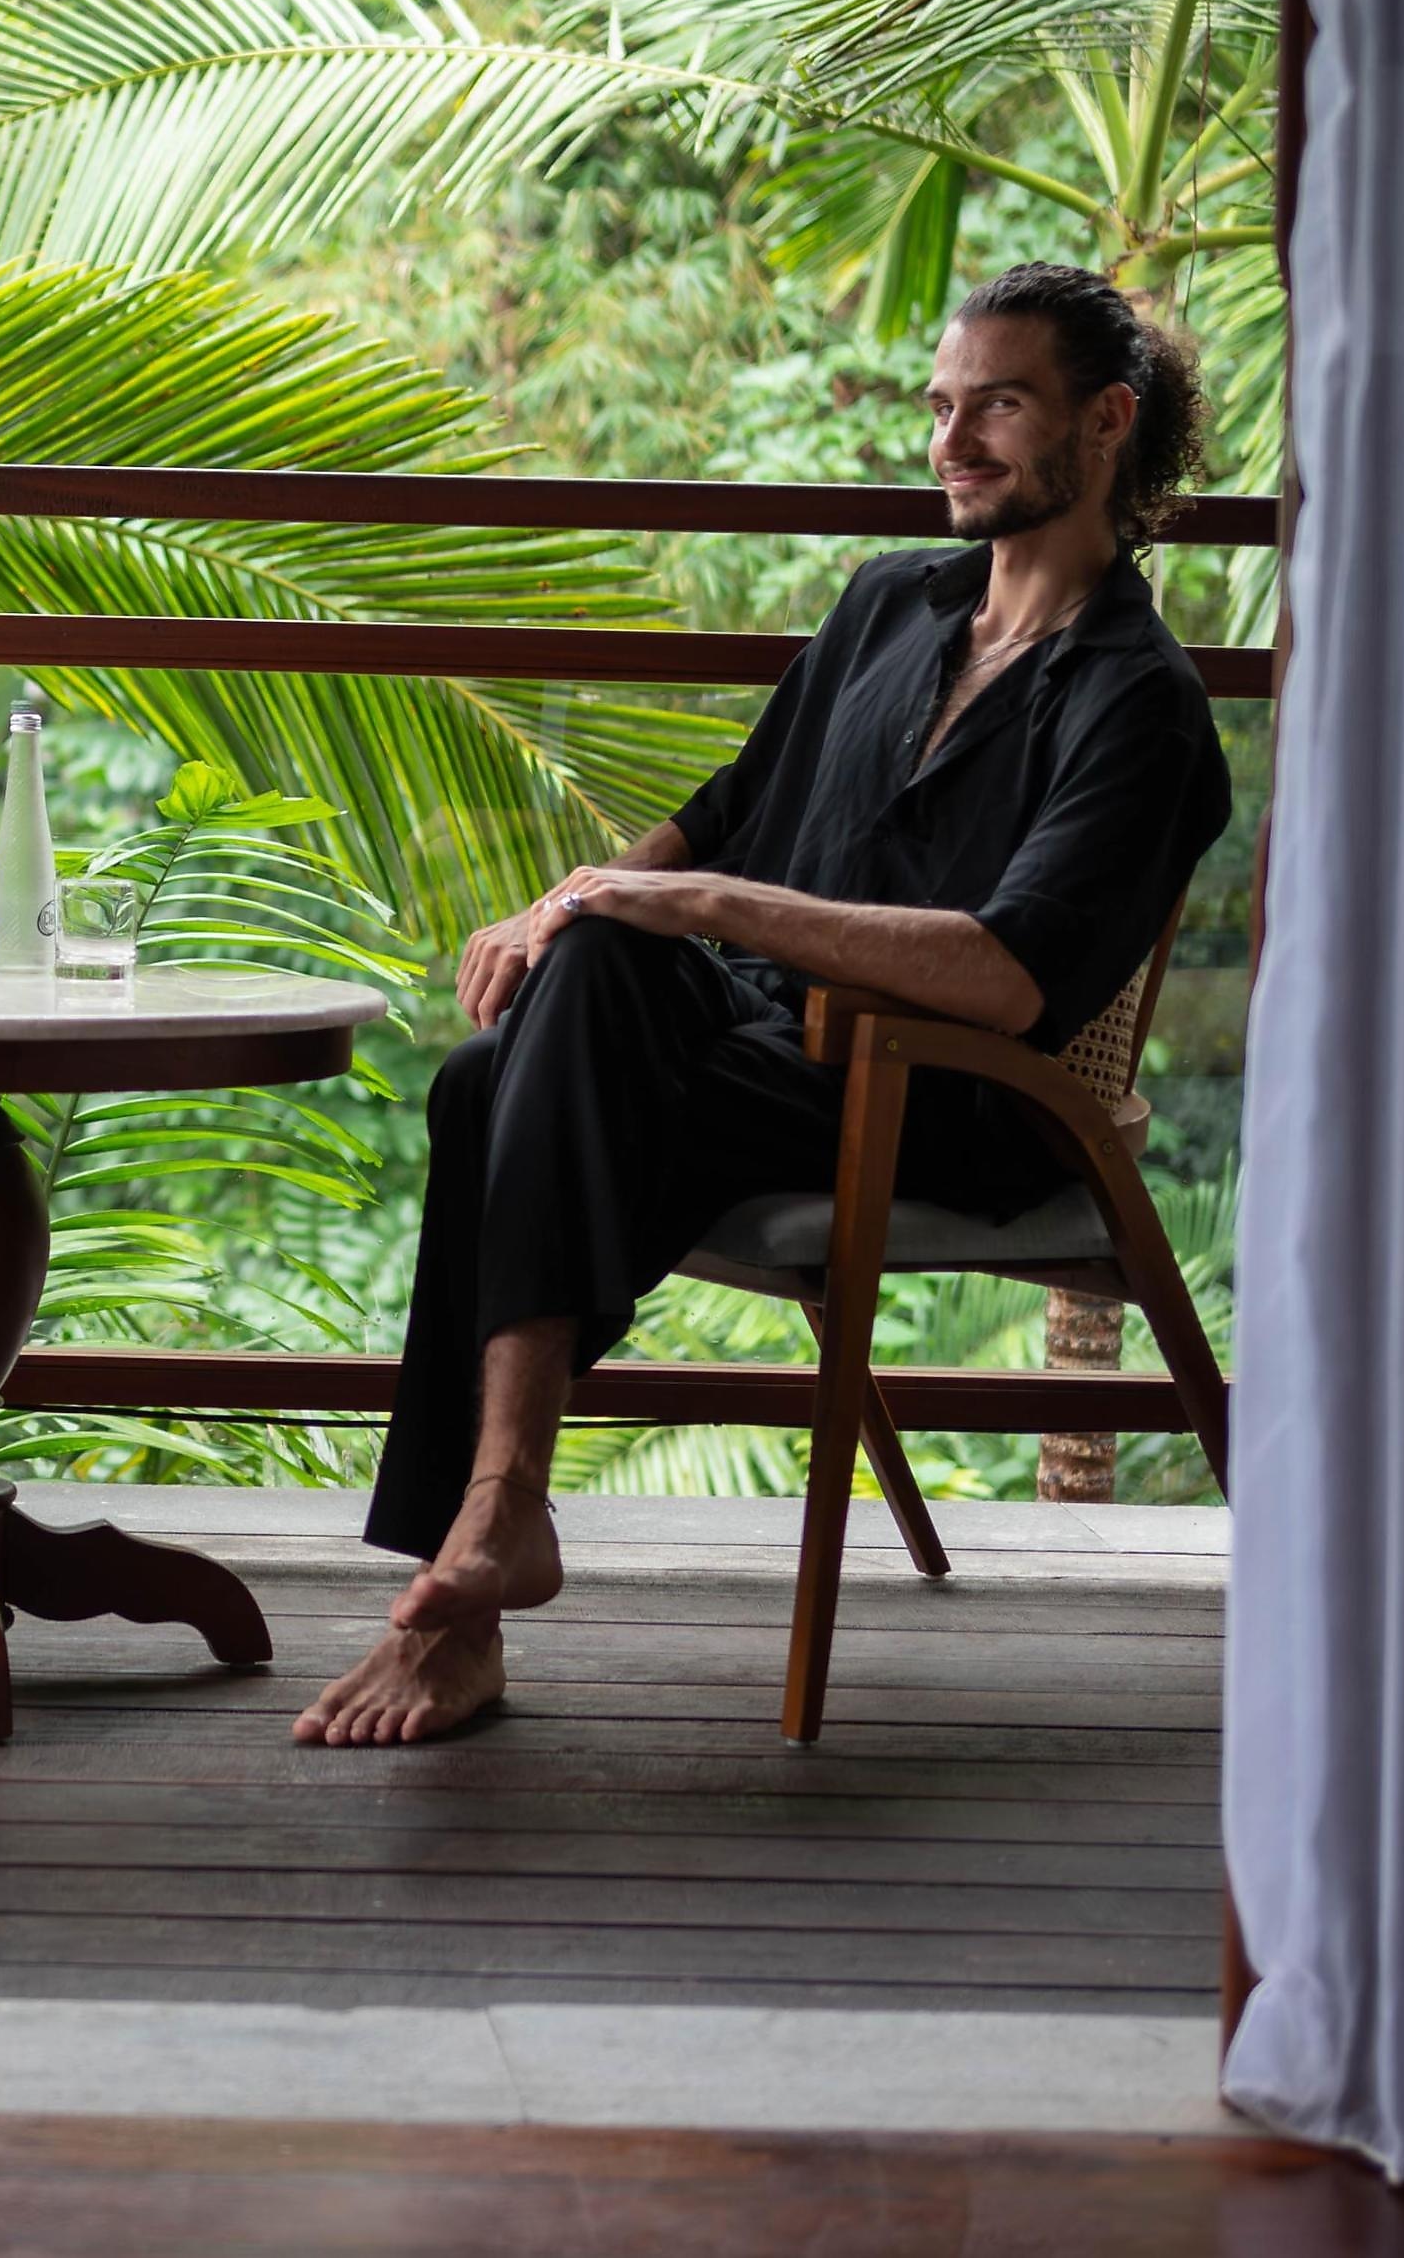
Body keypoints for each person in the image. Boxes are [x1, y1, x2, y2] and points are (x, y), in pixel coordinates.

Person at [293, 262, 1234, 1748]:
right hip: (759, 1046)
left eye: (998, 406)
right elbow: (729, 809)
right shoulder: (893, 603)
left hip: (945, 1097)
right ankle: (492, 1528)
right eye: (941, 405)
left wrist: (703, 908)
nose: (951, 441)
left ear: (1108, 421)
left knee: (503, 1077)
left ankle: (470, 1581)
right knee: (548, 1007)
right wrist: (570, 900)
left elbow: (1007, 976)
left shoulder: (1139, 700)